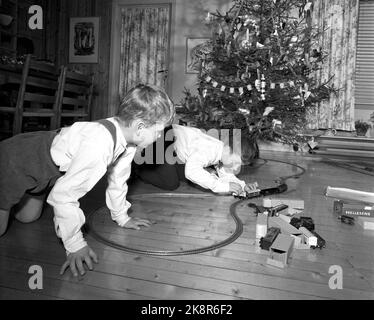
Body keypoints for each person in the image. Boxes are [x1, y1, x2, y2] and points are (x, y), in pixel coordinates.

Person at [0, 83, 175, 277]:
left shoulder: (129, 142)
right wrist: (75, 245)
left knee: (27, 218)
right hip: (16, 160)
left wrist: (123, 218)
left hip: (43, 173)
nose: (159, 137)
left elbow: (118, 181)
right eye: (158, 131)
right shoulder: (99, 146)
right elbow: (63, 196)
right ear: (140, 127)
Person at [134, 124, 258, 195]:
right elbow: (191, 172)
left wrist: (242, 186)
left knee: (197, 175)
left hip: (177, 151)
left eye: (239, 165)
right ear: (227, 148)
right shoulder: (208, 150)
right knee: (171, 183)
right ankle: (138, 169)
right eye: (236, 162)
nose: (236, 167)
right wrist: (221, 186)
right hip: (160, 142)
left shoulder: (223, 152)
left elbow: (226, 175)